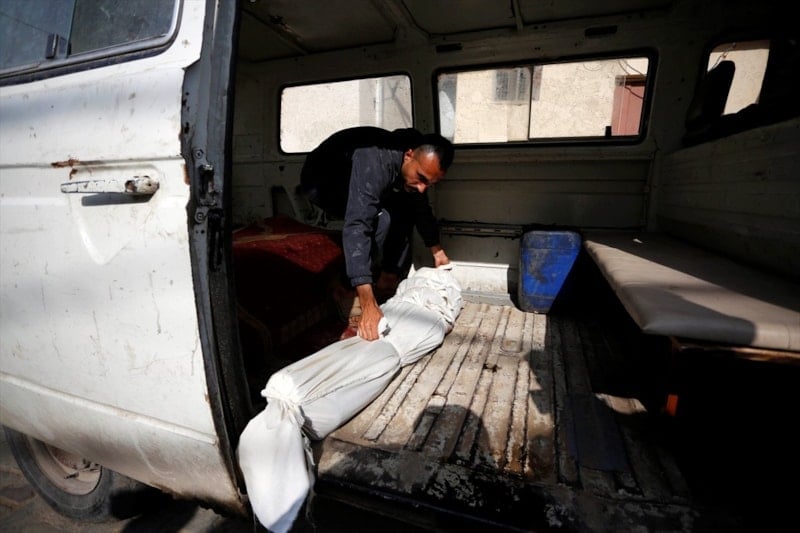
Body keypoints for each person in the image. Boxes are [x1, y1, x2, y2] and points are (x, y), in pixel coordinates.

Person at [297, 126, 454, 341]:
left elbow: (420, 207)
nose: (422, 187)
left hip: (357, 172)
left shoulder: (415, 160)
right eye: (420, 178)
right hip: (323, 180)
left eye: (429, 183)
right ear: (408, 155)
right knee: (380, 219)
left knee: (407, 203)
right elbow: (358, 224)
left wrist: (437, 250)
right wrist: (367, 302)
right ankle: (345, 290)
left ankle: (386, 278)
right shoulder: (375, 160)